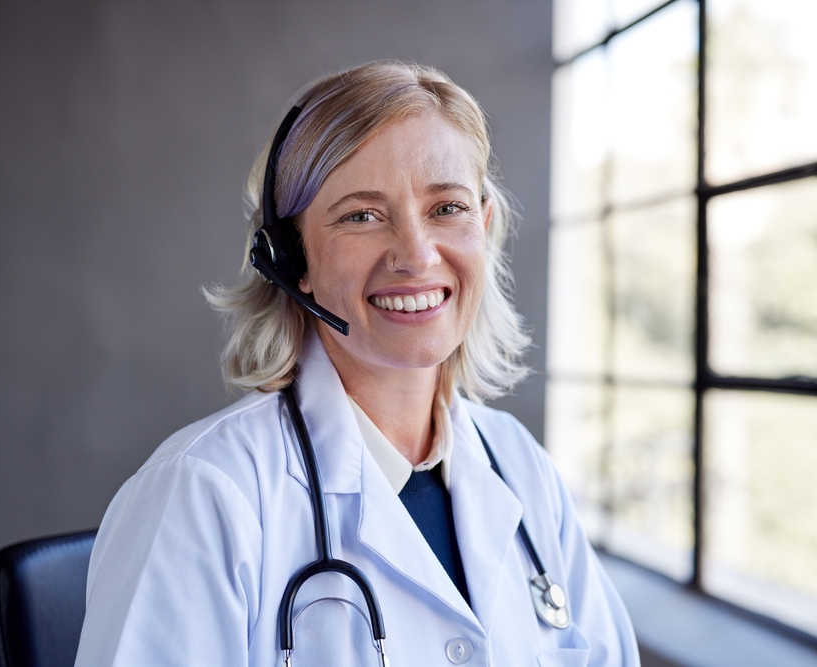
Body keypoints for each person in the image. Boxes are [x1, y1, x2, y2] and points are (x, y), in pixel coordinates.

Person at [74, 61, 639, 667]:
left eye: (447, 208)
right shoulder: (204, 493)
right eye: (361, 216)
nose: (416, 256)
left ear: (486, 227)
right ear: (292, 260)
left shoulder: (523, 470)